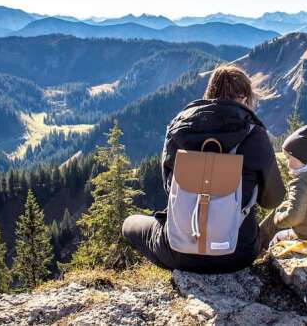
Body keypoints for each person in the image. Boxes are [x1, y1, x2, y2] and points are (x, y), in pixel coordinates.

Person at [122, 65, 286, 274]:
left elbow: (168, 186)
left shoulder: (178, 128)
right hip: (237, 253)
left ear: (210, 93)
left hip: (177, 251)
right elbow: (272, 199)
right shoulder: (255, 135)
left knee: (129, 224)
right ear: (245, 98)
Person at [259, 125, 307, 249]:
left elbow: (294, 218)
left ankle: (262, 255)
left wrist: (277, 219)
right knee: (281, 207)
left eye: (289, 157)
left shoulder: (301, 182)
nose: (286, 162)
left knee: (278, 236)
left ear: (302, 157)